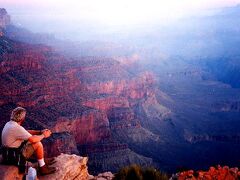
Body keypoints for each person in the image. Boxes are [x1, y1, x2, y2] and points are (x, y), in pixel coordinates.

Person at [1, 107, 56, 175]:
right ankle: (42, 168)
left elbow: (25, 132)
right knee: (37, 143)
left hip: (7, 153)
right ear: (22, 118)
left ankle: (42, 161)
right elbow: (33, 139)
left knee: (32, 141)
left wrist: (40, 132)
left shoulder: (9, 124)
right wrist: (44, 135)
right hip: (13, 156)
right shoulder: (16, 128)